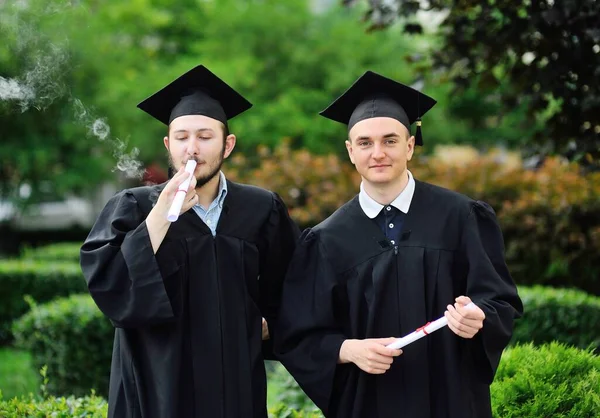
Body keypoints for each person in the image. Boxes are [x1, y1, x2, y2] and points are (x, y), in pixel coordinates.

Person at [274, 71, 523, 418]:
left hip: (451, 399)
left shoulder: (461, 217)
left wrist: (479, 316)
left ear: (409, 146)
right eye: (365, 143)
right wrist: (348, 350)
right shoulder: (326, 240)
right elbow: (298, 335)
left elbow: (500, 300)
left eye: (390, 140)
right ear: (350, 151)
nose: (378, 153)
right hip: (369, 403)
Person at [80, 65, 299, 418]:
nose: (192, 149)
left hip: (235, 386)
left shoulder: (261, 208)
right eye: (181, 137)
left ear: (227, 145)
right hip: (157, 384)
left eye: (205, 136)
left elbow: (294, 284)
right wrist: (162, 215)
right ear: (168, 144)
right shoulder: (134, 208)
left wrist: (272, 320)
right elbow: (109, 283)